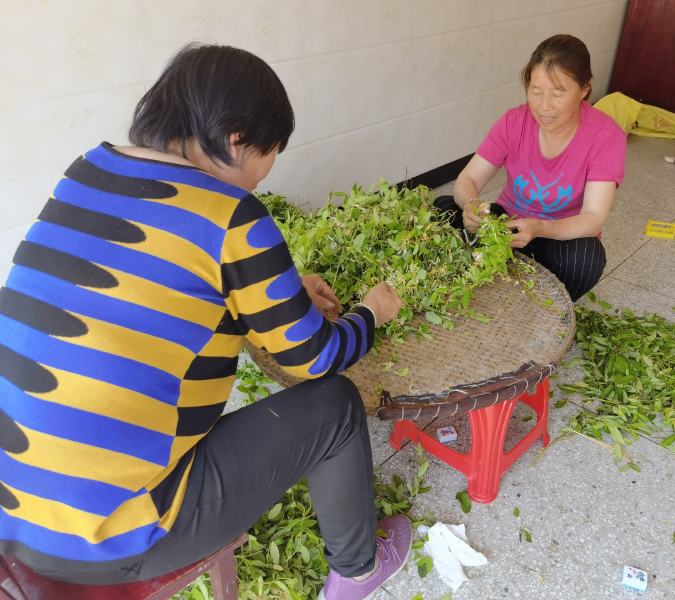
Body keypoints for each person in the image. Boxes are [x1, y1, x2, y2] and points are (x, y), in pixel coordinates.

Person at [0, 44, 410, 600]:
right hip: (109, 537)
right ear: (238, 140)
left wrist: (279, 289)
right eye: (272, 154)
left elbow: (157, 291)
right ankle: (360, 571)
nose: (265, 175)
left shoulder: (87, 169)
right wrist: (371, 312)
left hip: (12, 504)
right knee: (335, 404)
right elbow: (313, 357)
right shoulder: (231, 213)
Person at [435, 34, 626, 301]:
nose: (544, 106)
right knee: (442, 210)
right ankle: (483, 281)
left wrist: (538, 228)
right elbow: (468, 179)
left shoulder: (606, 137)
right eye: (535, 91)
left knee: (586, 258)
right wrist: (471, 205)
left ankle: (538, 308)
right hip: (503, 228)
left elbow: (593, 217)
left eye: (558, 92)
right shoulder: (514, 121)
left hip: (555, 237)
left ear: (584, 89)